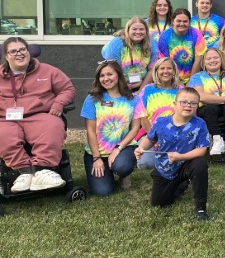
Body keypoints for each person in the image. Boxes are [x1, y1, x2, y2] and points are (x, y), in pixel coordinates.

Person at [0, 37, 76, 193]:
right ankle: (24, 172)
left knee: (52, 125)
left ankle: (43, 170)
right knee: (3, 134)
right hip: (6, 118)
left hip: (40, 114)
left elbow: (68, 89)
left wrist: (58, 103)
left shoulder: (48, 70)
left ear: (29, 52)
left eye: (23, 49)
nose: (19, 54)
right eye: (13, 51)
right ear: (6, 56)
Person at [134, 87, 211, 221]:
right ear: (175, 104)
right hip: (165, 168)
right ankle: (181, 185)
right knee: (159, 204)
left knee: (200, 164)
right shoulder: (161, 122)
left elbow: (202, 150)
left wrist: (181, 157)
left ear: (197, 106)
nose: (188, 105)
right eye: (184, 102)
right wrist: (140, 148)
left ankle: (200, 208)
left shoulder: (200, 124)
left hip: (187, 164)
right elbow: (150, 139)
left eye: (193, 103)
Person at [81, 60, 146, 196]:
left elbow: (135, 128)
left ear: (118, 75)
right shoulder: (93, 99)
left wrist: (118, 148)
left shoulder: (133, 99)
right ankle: (107, 170)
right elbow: (91, 131)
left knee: (122, 166)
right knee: (103, 192)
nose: (106, 79)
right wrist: (96, 158)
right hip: (98, 153)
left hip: (123, 148)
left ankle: (123, 173)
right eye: (102, 76)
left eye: (109, 74)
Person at [189, 47, 225, 157]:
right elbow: (201, 97)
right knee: (211, 108)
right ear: (204, 62)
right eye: (208, 58)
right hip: (208, 108)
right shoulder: (197, 77)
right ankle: (217, 140)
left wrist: (215, 99)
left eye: (215, 57)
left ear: (221, 59)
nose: (212, 60)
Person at [137, 57, 182, 169]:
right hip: (150, 134)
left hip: (175, 135)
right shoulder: (147, 89)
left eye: (169, 68)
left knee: (177, 161)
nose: (165, 71)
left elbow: (185, 116)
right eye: (162, 68)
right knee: (145, 164)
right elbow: (142, 116)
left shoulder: (181, 90)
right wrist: (154, 137)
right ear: (156, 71)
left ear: (174, 71)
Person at [101, 16, 152, 91]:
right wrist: (127, 87)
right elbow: (111, 70)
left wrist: (140, 91)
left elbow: (152, 69)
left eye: (141, 29)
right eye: (134, 29)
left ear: (146, 31)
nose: (138, 32)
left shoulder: (151, 44)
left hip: (142, 86)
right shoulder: (117, 43)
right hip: (117, 87)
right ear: (127, 30)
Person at [158, 8, 207, 85]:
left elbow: (198, 60)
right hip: (171, 77)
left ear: (189, 22)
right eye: (178, 21)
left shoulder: (196, 34)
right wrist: (177, 82)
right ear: (173, 21)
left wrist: (190, 82)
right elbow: (165, 63)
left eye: (185, 21)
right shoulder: (164, 36)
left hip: (194, 75)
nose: (182, 24)